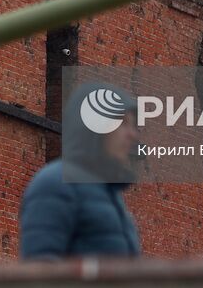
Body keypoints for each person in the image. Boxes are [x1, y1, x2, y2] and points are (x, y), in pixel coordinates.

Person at [18, 84, 142, 259]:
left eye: (133, 125)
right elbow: (40, 267)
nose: (132, 134)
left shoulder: (109, 193)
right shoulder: (55, 183)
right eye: (122, 123)